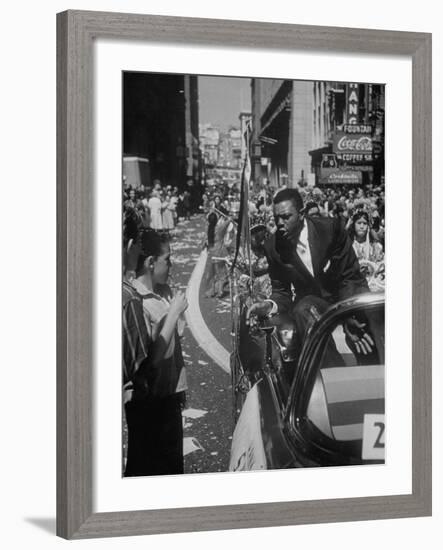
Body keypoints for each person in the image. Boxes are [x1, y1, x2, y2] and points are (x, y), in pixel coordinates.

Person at [246, 188, 374, 358]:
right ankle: (331, 372)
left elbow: (349, 276)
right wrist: (269, 305)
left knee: (368, 332)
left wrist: (347, 313)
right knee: (303, 309)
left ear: (301, 214)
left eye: (286, 217)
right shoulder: (273, 247)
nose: (280, 223)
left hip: (347, 293)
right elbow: (281, 292)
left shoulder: (331, 229)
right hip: (314, 304)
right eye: (276, 218)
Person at [124, 229, 188, 476]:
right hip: (151, 405)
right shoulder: (138, 301)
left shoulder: (160, 293)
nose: (170, 265)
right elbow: (152, 360)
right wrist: (172, 312)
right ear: (151, 262)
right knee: (152, 469)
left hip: (168, 398)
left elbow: (176, 339)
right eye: (167, 259)